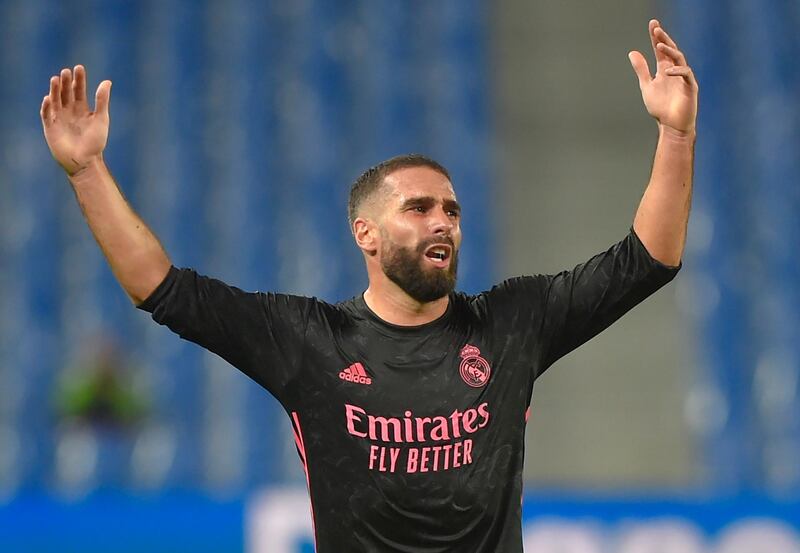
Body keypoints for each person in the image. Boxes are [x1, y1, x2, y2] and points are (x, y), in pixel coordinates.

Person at [40, 18, 697, 553]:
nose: (442, 221)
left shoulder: (513, 321)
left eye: (452, 210)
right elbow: (159, 288)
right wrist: (87, 172)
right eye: (418, 208)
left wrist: (675, 132)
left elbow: (649, 258)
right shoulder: (310, 340)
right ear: (366, 234)